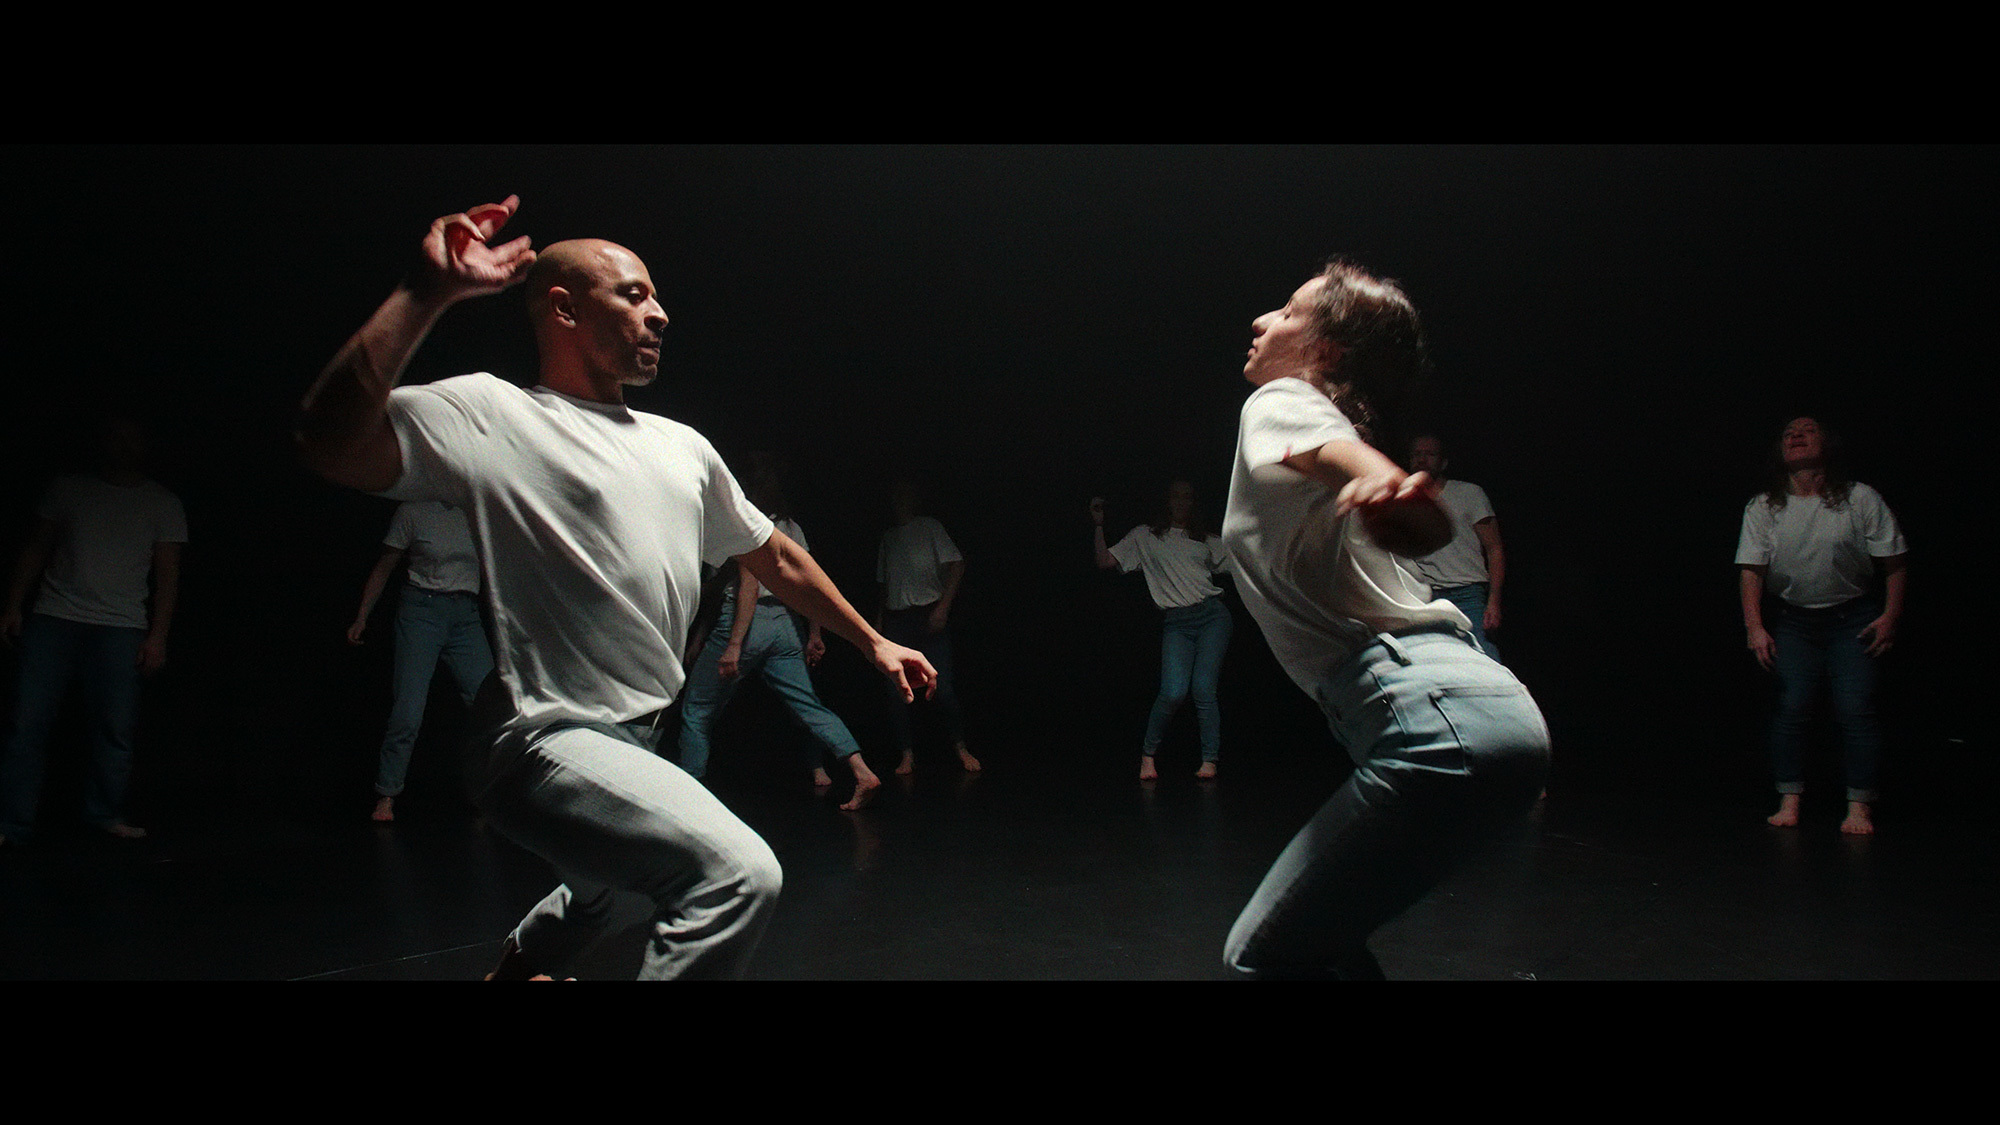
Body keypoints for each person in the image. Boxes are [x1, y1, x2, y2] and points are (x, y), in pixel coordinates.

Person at [296, 195, 935, 980]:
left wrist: (871, 640)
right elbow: (328, 441)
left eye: (657, 297)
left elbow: (775, 555)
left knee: (609, 899)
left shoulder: (683, 447)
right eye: (633, 295)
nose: (659, 313)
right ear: (564, 309)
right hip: (541, 738)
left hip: (637, 738)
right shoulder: (495, 415)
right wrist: (422, 294)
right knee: (737, 875)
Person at [1218, 259, 1550, 980]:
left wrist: (1382, 483)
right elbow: (1395, 505)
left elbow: (1354, 464)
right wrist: (1393, 499)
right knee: (1329, 946)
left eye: (1287, 312)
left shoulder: (1281, 398)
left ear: (1325, 349)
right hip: (1488, 712)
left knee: (1261, 953)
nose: (1263, 321)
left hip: (1428, 712)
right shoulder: (1308, 427)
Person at [0, 416, 185, 845]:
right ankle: (10, 821)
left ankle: (104, 814)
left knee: (114, 728)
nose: (123, 445)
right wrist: (13, 605)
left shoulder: (162, 502)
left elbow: (168, 576)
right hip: (55, 617)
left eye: (131, 437)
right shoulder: (68, 489)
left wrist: (158, 636)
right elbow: (36, 547)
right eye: (116, 436)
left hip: (120, 625)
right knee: (27, 723)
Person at [1735, 416, 1906, 836]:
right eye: (1789, 432)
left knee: (1855, 708)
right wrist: (1754, 626)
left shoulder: (1859, 498)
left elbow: (1895, 561)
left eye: (1808, 430)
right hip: (1796, 621)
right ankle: (1789, 799)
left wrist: (1890, 616)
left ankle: (1859, 806)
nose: (1796, 435)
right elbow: (1751, 570)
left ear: (1827, 444)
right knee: (1791, 707)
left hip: (1853, 618)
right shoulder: (1765, 506)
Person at [678, 469, 883, 811]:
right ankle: (862, 772)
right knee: (808, 705)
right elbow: (808, 584)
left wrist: (734, 645)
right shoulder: (790, 527)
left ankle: (690, 800)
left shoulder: (744, 523)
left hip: (745, 623)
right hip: (785, 624)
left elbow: (748, 585)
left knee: (697, 709)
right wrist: (814, 633)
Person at [346, 499, 494, 823]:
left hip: (466, 615)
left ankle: (486, 795)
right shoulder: (414, 511)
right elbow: (384, 566)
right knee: (408, 709)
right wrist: (362, 616)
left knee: (490, 708)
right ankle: (387, 794)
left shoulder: (474, 509)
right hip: (421, 612)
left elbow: (492, 569)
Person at [1090, 482, 1233, 780]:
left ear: (1192, 503)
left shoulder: (1205, 539)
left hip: (1211, 617)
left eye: (1187, 497)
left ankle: (1209, 760)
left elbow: (1243, 562)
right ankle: (1147, 756)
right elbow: (1104, 561)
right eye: (1176, 496)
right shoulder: (1146, 536)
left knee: (1204, 689)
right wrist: (1099, 525)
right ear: (1167, 501)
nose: (1181, 502)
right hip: (1177, 622)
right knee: (1172, 692)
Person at [877, 479, 979, 775]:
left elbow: (957, 564)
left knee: (943, 689)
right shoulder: (889, 537)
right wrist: (879, 621)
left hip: (927, 616)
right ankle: (906, 755)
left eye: (904, 495)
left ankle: (960, 748)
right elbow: (883, 584)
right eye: (895, 496)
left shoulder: (930, 527)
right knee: (896, 692)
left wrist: (943, 608)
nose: (899, 501)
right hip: (898, 621)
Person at [1404, 434, 1505, 661]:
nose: (1422, 460)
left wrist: (1494, 601)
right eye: (1417, 454)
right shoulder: (1404, 498)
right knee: (1431, 662)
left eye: (1430, 454)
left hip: (1467, 593)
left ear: (1443, 462)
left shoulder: (1469, 494)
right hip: (1424, 596)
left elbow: (1494, 549)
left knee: (1485, 659)